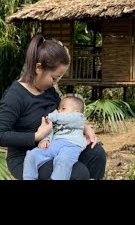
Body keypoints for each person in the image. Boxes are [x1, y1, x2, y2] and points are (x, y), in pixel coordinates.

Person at [0, 34, 106, 180]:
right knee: (77, 173)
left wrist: (84, 127)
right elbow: (1, 134)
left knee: (97, 154)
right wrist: (36, 136)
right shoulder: (15, 96)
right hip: (25, 156)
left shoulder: (49, 91)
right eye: (54, 78)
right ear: (38, 68)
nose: (55, 83)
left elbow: (64, 113)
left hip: (56, 145)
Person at [23, 95, 87, 180]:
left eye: (63, 108)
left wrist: (52, 115)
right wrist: (46, 140)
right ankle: (29, 177)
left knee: (63, 160)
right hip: (55, 144)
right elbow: (49, 131)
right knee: (32, 154)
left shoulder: (78, 118)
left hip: (72, 145)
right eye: (59, 108)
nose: (59, 111)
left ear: (77, 111)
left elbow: (66, 118)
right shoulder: (57, 120)